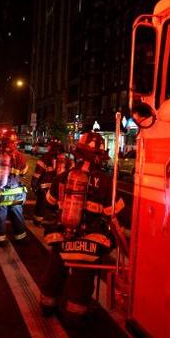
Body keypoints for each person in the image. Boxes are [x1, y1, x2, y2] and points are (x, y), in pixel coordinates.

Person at [39, 131, 125, 327]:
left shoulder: (63, 177)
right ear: (99, 157)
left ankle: (47, 305)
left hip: (62, 237)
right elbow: (117, 213)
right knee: (83, 278)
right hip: (90, 243)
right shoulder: (106, 183)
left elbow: (49, 204)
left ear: (77, 153)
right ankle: (75, 316)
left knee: (55, 271)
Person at [0, 130, 29, 247]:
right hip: (15, 192)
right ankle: (20, 238)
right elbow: (24, 172)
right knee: (17, 214)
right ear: (14, 143)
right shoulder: (20, 156)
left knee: (0, 216)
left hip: (0, 192)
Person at [31, 138, 71, 226]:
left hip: (45, 187)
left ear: (51, 147)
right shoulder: (67, 160)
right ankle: (57, 222)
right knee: (58, 205)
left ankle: (37, 221)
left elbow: (37, 173)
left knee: (41, 204)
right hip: (60, 187)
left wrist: (33, 185)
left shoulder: (45, 158)